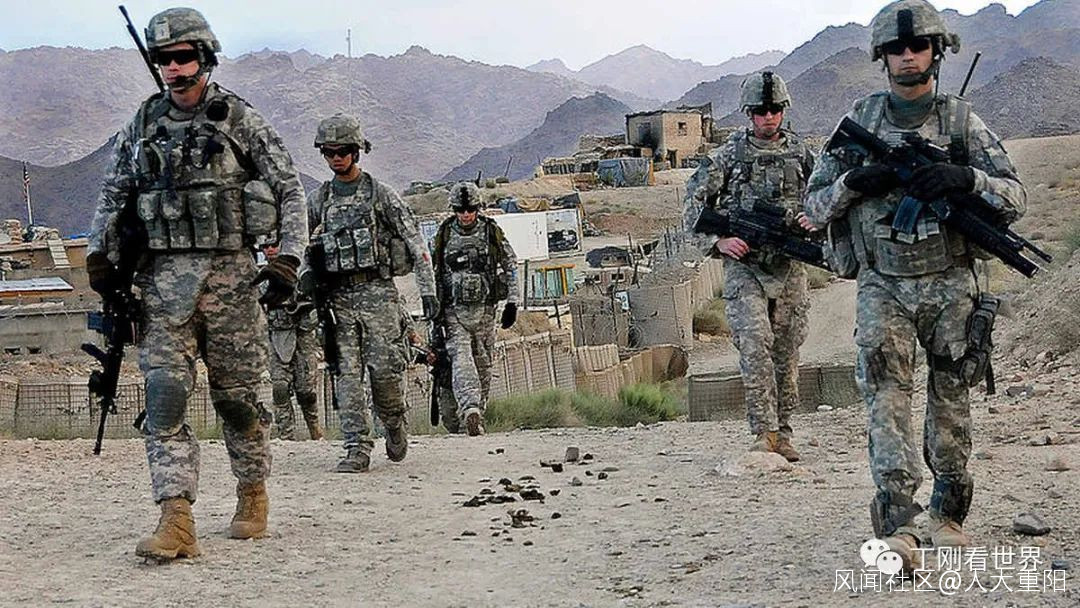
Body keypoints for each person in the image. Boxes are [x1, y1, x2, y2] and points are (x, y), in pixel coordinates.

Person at [804, 0, 1026, 568]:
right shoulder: (860, 121)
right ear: (882, 57)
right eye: (897, 49)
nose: (908, 56)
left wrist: (965, 177)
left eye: (918, 46)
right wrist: (857, 181)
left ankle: (948, 512)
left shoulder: (961, 122)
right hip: (883, 284)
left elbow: (1015, 197)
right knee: (885, 397)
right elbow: (815, 204)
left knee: (951, 396)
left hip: (951, 282)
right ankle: (899, 520)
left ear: (936, 52)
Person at [86, 7, 308, 560]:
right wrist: (98, 256)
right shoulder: (143, 123)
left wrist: (288, 259)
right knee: (164, 397)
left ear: (204, 58)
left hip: (232, 283)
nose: (173, 68)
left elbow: (291, 189)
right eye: (163, 58)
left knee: (237, 400)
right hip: (162, 288)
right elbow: (113, 194)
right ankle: (176, 518)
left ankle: (252, 491)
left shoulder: (238, 119)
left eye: (183, 57)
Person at [683, 71, 816, 462]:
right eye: (760, 111)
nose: (768, 117)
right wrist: (718, 242)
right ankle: (764, 432)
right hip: (745, 267)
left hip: (789, 264)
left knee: (787, 352)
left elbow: (828, 196)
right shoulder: (729, 155)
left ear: (783, 110)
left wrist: (815, 217)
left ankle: (784, 433)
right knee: (755, 345)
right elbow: (692, 204)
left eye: (774, 109)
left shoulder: (802, 153)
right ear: (748, 113)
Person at [306, 114, 438, 472]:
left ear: (356, 151)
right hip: (338, 302)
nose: (336, 158)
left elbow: (416, 242)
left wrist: (427, 291)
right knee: (346, 376)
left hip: (379, 296)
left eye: (342, 151)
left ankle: (393, 422)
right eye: (329, 152)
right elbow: (301, 243)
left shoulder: (381, 195)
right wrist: (303, 280)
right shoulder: (320, 200)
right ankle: (357, 447)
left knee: (385, 374)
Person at [431, 182, 518, 435]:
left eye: (470, 209)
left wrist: (513, 302)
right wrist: (432, 307)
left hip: (485, 310)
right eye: (461, 210)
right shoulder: (444, 234)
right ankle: (469, 408)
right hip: (453, 310)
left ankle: (477, 416)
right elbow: (432, 270)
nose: (466, 214)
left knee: (483, 363)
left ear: (478, 208)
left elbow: (510, 264)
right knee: (461, 358)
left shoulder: (491, 231)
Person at [263, 245, 324, 441]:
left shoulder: (300, 272)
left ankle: (314, 429)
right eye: (265, 246)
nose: (270, 249)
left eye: (274, 245)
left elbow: (316, 300)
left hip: (302, 336)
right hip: (276, 336)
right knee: (279, 387)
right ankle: (286, 435)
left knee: (306, 390)